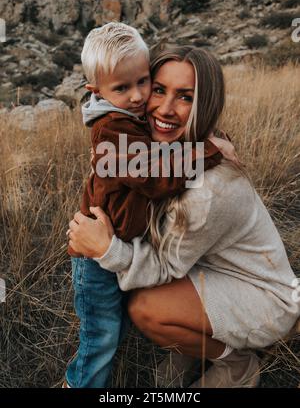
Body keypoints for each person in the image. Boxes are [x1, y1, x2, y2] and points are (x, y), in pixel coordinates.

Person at [68, 45, 300, 388]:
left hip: (264, 297)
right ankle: (194, 347)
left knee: (146, 307)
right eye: (158, 90)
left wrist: (106, 250)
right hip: (212, 273)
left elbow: (163, 268)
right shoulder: (168, 152)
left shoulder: (210, 189)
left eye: (185, 97)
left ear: (203, 105)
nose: (164, 108)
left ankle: (237, 364)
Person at [65, 24, 234, 388]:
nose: (139, 96)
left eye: (143, 81)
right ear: (96, 91)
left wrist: (209, 138)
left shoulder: (130, 117)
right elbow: (157, 176)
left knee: (115, 326)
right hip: (95, 259)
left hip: (117, 248)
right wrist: (209, 152)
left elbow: (169, 145)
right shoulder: (110, 129)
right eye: (122, 88)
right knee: (100, 338)